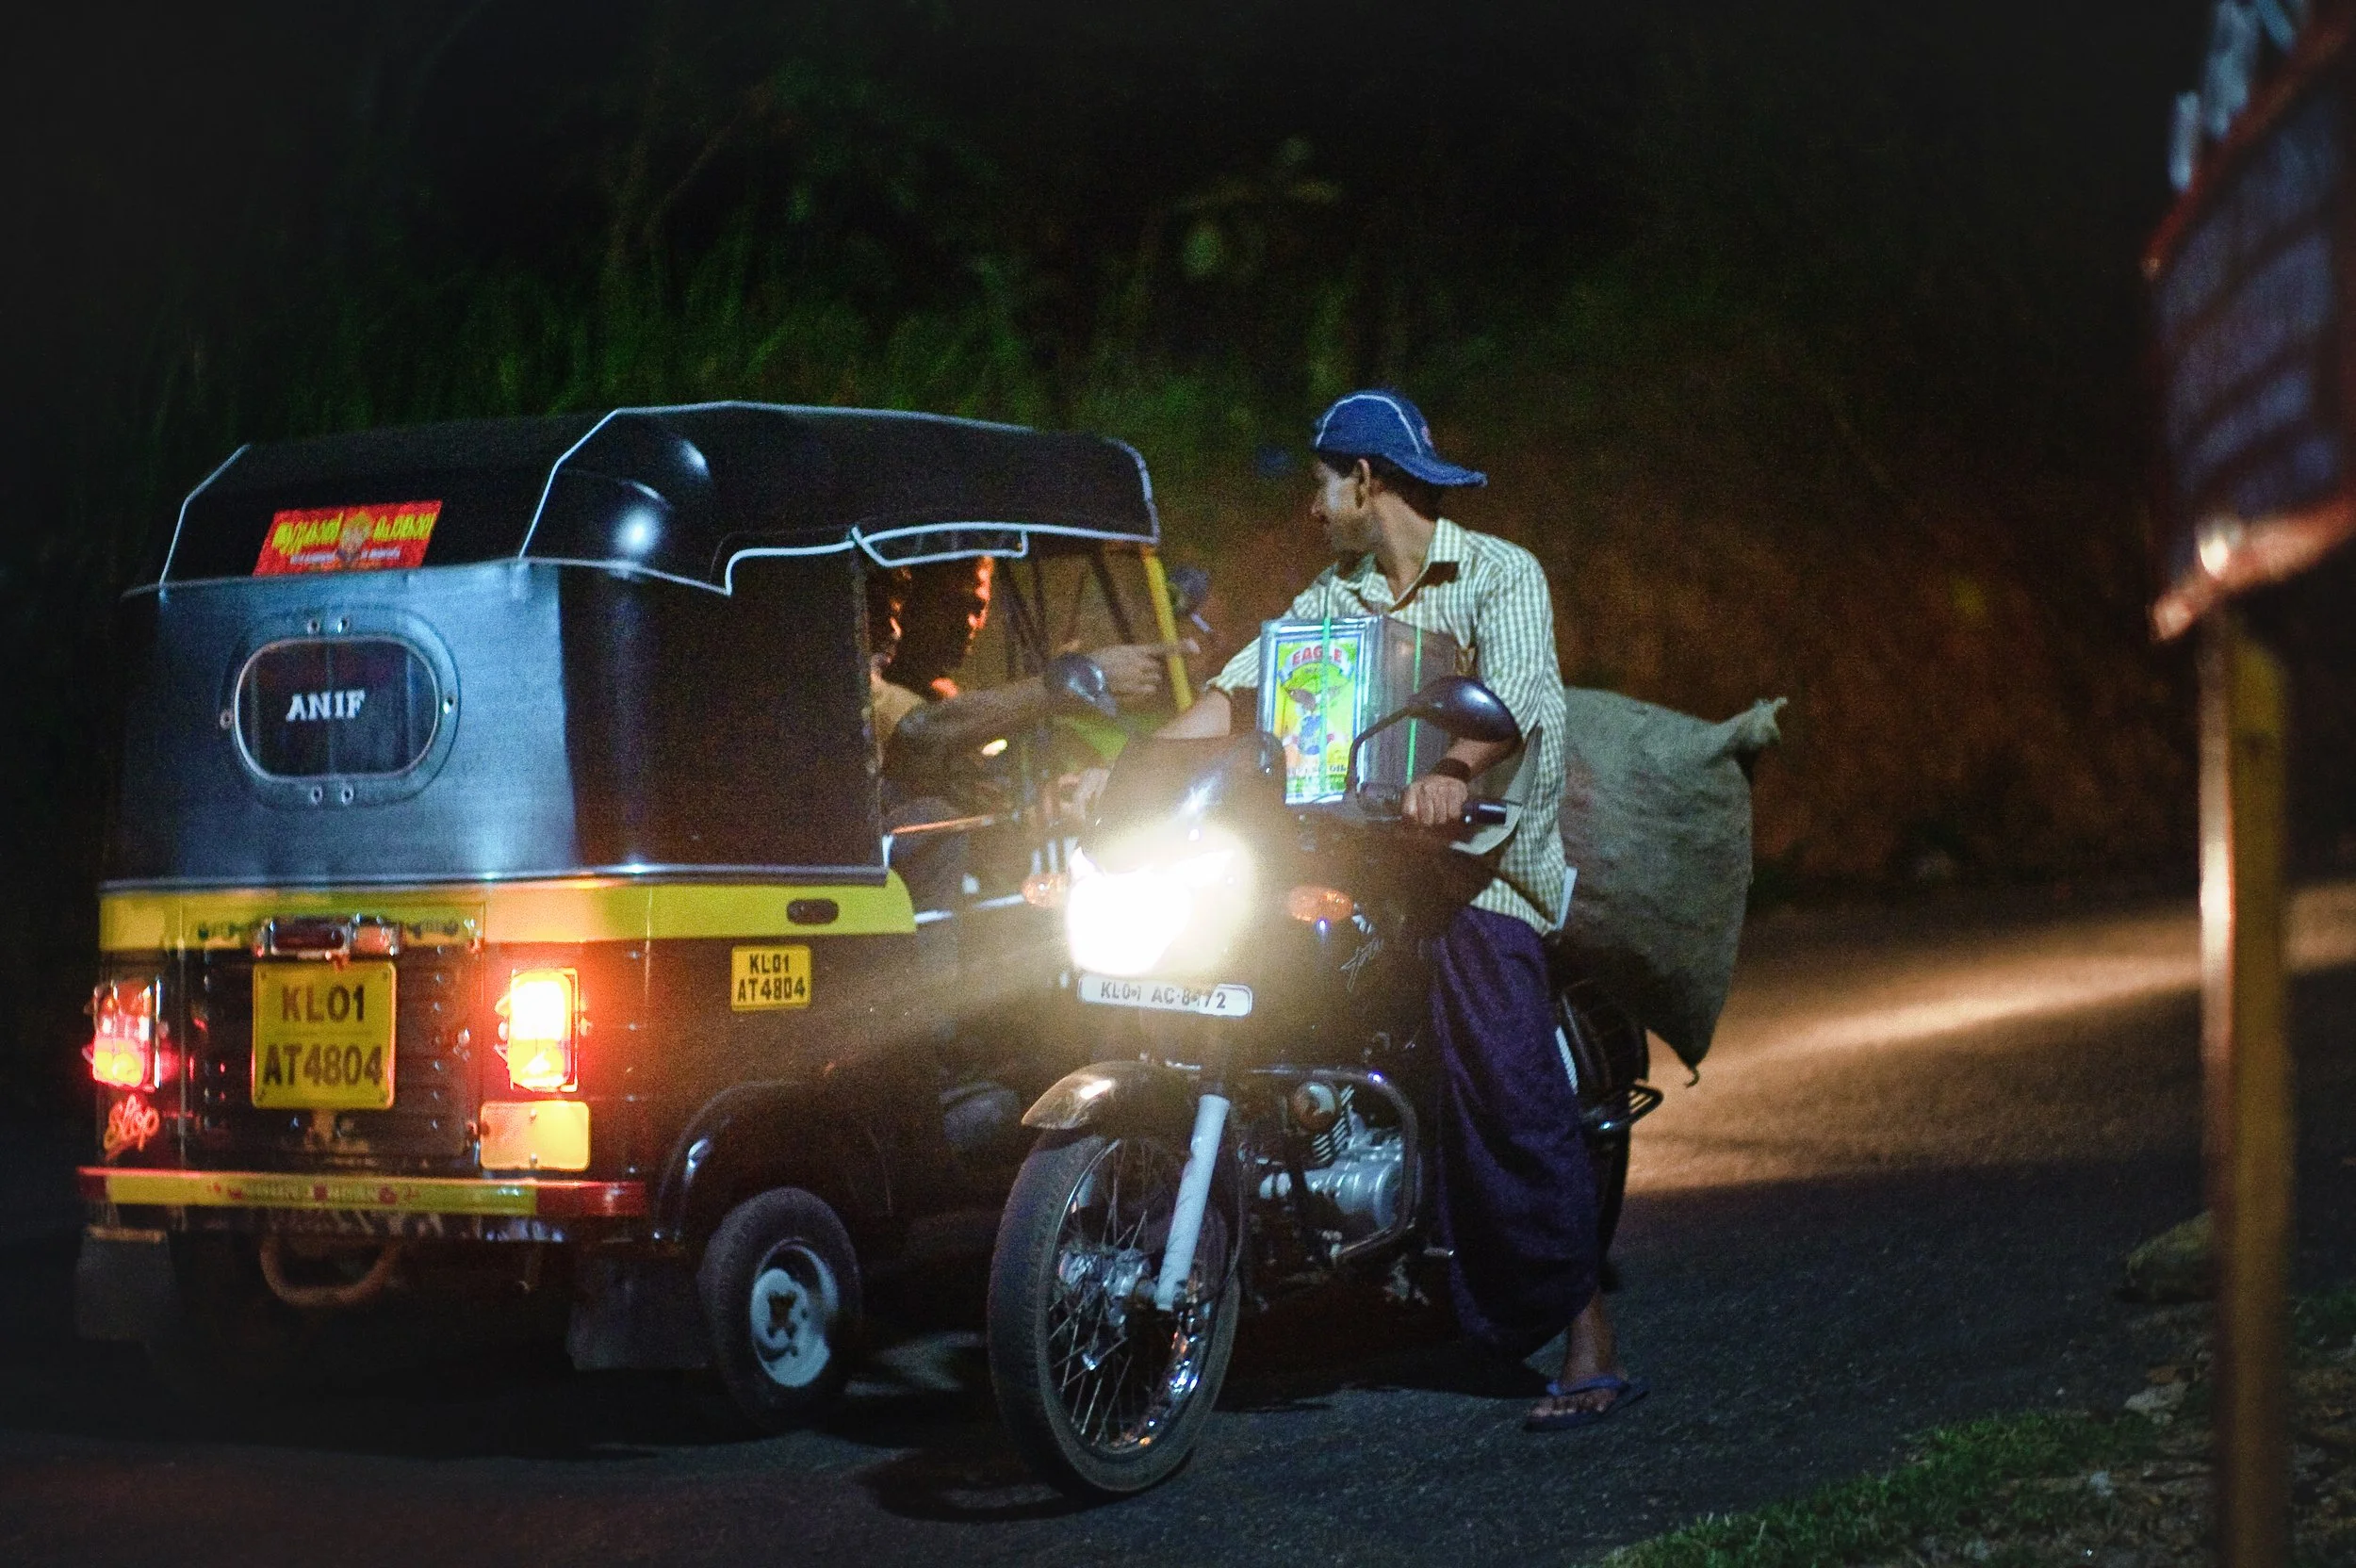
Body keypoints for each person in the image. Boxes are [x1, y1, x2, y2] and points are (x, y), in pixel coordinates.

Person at [1158, 389, 1644, 1431]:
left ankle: (1585, 1330)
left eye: (1320, 483)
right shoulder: (1330, 601)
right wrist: (1133, 767)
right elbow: (1243, 691)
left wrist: (1455, 774)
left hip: (1472, 872)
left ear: (1364, 480)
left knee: (1507, 1071)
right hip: (1352, 867)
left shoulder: (1499, 574)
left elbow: (1515, 701)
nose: (1311, 506)